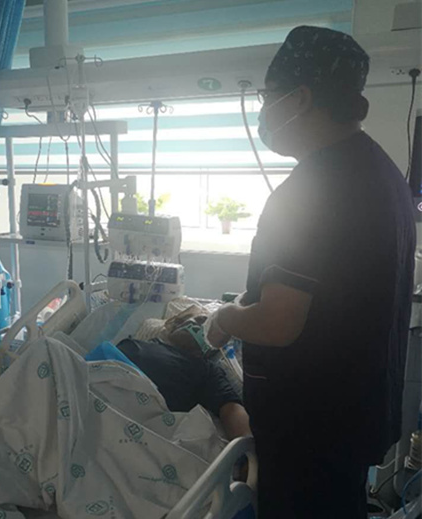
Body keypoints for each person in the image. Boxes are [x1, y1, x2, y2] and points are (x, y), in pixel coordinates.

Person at [202, 27, 416, 518]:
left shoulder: (308, 191)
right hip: (353, 413)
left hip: (309, 424)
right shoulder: (385, 176)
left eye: (267, 97)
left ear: (299, 98)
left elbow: (279, 322)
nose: (263, 112)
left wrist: (225, 318)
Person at [116, 337, 251, 440]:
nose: (193, 324)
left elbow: (231, 409)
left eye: (200, 322)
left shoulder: (206, 370)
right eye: (192, 319)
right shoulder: (139, 342)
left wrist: (247, 453)